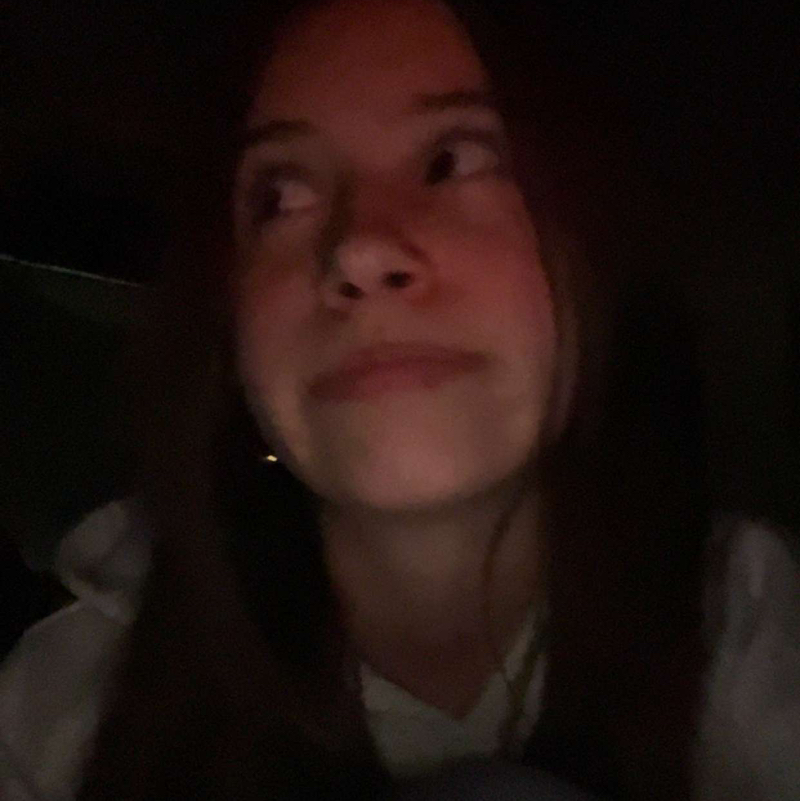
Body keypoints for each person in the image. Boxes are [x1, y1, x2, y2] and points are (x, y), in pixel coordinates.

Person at [1, 1, 798, 799]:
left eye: (454, 161)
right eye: (280, 197)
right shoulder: (67, 707)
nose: (359, 248)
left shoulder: (752, 631)